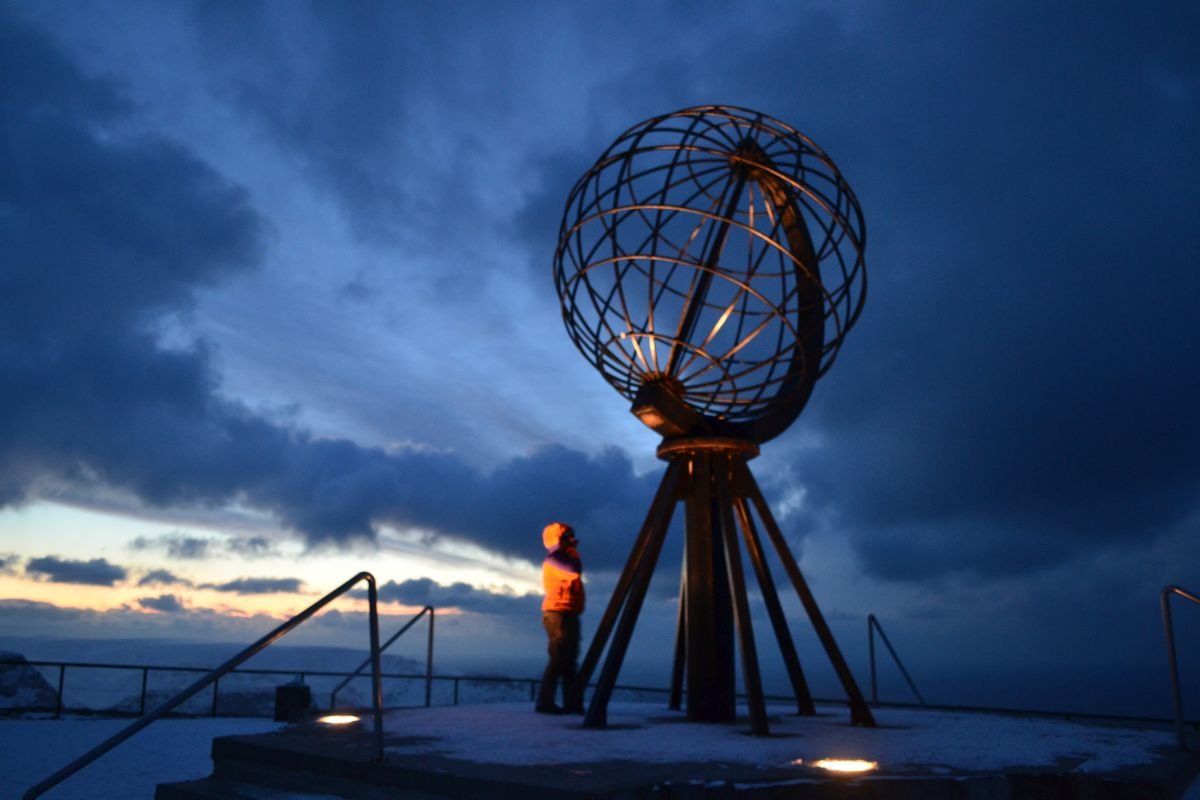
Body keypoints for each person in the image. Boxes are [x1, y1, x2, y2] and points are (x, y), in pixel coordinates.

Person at [535, 521, 585, 714]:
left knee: (569, 661)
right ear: (559, 539)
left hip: (567, 613)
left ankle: (572, 703)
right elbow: (573, 572)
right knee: (559, 659)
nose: (573, 540)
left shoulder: (562, 557)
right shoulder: (554, 559)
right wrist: (573, 552)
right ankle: (545, 703)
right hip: (558, 614)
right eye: (568, 537)